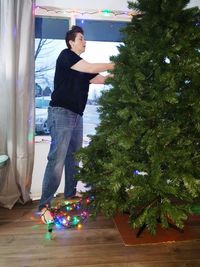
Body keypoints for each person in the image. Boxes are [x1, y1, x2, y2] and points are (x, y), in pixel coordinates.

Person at [39, 25, 115, 224]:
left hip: (76, 116)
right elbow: (91, 68)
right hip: (61, 113)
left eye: (84, 38)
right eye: (81, 38)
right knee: (57, 159)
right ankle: (43, 206)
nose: (84, 41)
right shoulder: (66, 56)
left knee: (74, 156)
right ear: (71, 42)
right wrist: (113, 64)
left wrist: (121, 73)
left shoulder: (82, 66)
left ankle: (70, 193)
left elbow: (101, 79)